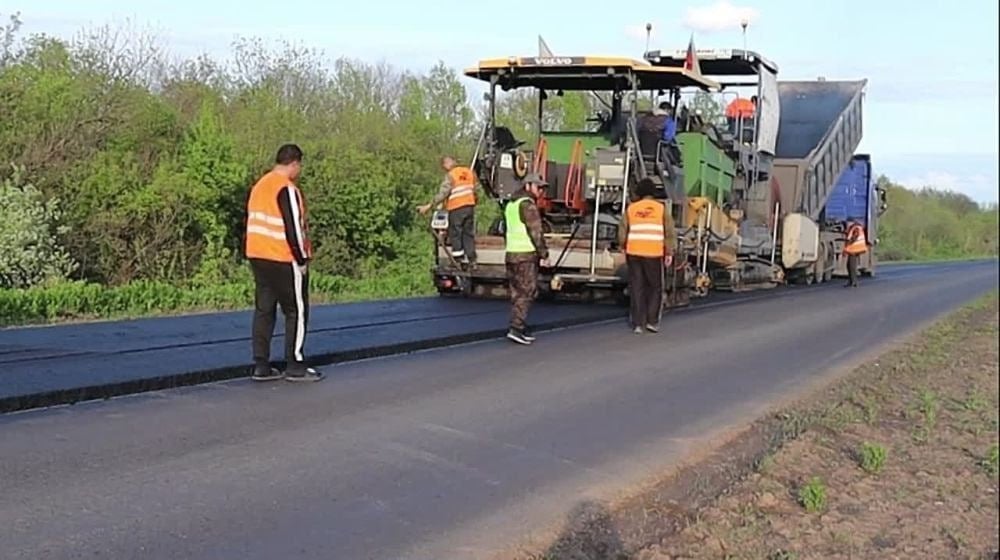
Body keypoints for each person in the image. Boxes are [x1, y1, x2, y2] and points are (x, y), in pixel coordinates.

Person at [244, 144, 323, 382]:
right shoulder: (285, 188)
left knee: (264, 310)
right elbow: (293, 227)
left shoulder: (260, 185)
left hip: (258, 255)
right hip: (282, 256)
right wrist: (301, 259)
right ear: (294, 163)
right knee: (296, 310)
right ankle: (295, 364)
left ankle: (261, 364)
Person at [619, 177, 676, 334]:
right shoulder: (661, 209)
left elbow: (622, 231)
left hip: (634, 252)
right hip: (653, 253)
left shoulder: (631, 209)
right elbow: (669, 232)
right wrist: (669, 252)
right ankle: (652, 321)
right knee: (655, 287)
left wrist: (623, 246)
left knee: (637, 287)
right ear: (653, 193)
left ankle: (638, 323)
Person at [504, 173, 550, 345]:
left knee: (517, 292)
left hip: (511, 254)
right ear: (529, 185)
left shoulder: (511, 204)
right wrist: (544, 253)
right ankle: (516, 328)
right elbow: (536, 232)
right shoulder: (528, 205)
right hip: (525, 255)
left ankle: (518, 328)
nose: (541, 191)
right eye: (539, 187)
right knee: (527, 292)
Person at [418, 156, 478, 268]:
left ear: (446, 164)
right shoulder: (468, 172)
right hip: (469, 207)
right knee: (468, 234)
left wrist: (429, 206)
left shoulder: (451, 175)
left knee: (455, 233)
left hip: (457, 207)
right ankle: (472, 260)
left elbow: (443, 193)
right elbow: (474, 190)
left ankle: (458, 260)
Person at [843, 220, 868, 288]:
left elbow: (855, 237)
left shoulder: (856, 228)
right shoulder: (857, 227)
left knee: (851, 266)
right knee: (849, 266)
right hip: (855, 249)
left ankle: (853, 282)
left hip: (854, 250)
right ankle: (852, 281)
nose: (847, 225)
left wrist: (848, 243)